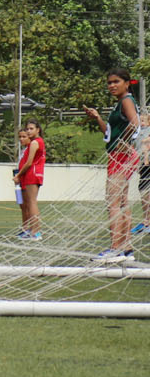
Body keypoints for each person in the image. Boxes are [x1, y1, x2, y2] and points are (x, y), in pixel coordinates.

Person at [84, 68, 140, 263]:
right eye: (109, 82)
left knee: (113, 201)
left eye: (116, 81)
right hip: (119, 154)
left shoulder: (126, 101)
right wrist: (98, 117)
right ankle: (126, 248)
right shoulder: (120, 104)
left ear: (127, 83)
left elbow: (135, 124)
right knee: (122, 202)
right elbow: (109, 134)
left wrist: (125, 141)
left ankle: (115, 248)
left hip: (122, 156)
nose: (112, 85)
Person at [14, 119, 46, 240]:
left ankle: (36, 231)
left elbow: (29, 163)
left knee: (32, 202)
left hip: (32, 174)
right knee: (29, 203)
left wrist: (18, 175)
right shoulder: (35, 142)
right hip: (32, 174)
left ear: (38, 129)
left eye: (31, 128)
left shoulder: (35, 143)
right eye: (27, 128)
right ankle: (32, 230)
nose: (28, 131)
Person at [137, 107, 150, 238]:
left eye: (144, 120)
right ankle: (146, 219)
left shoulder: (147, 132)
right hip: (142, 165)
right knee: (143, 191)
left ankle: (147, 220)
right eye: (140, 120)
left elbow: (146, 145)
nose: (141, 123)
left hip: (147, 164)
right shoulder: (141, 131)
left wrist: (145, 158)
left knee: (146, 191)